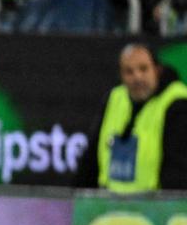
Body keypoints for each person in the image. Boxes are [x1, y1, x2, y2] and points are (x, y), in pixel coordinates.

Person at [74, 44, 187, 191]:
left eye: (143, 69)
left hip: (155, 207)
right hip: (109, 204)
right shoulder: (115, 98)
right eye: (129, 72)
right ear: (121, 76)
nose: (137, 77)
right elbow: (91, 160)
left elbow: (178, 170)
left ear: (157, 70)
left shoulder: (177, 102)